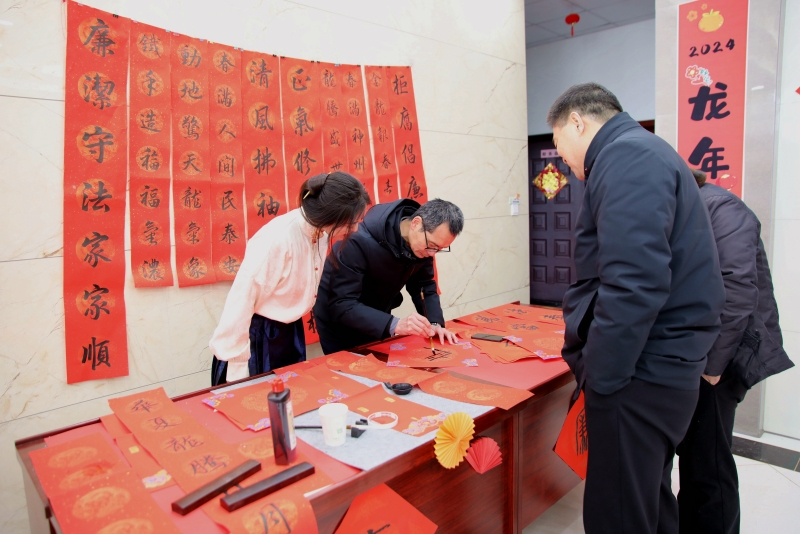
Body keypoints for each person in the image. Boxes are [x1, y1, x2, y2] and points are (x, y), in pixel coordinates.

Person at [550, 83, 726, 534]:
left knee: (619, 513)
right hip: (660, 366)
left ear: (577, 122)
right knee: (646, 499)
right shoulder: (645, 151)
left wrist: (603, 378)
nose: (561, 157)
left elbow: (634, 282)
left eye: (558, 142)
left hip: (638, 373)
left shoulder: (626, 156)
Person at [676, 170, 793, 534]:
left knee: (707, 465)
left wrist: (712, 367)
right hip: (697, 353)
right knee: (694, 457)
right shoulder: (691, 206)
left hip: (721, 358)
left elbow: (737, 292)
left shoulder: (720, 208)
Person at [208, 172, 371, 385]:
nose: (355, 230)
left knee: (292, 394)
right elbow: (241, 302)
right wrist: (237, 366)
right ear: (330, 215)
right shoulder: (277, 239)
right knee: (263, 398)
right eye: (349, 224)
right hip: (259, 337)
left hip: (289, 331)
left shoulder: (321, 232)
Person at [313, 198, 464, 353]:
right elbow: (342, 303)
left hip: (377, 316)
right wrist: (395, 324)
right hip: (340, 320)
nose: (432, 254)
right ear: (416, 223)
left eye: (439, 249)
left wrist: (434, 324)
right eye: (432, 246)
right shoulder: (357, 241)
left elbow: (424, 286)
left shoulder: (422, 248)